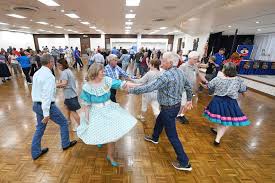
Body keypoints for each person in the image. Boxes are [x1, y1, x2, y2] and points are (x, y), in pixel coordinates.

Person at [128, 52, 193, 171]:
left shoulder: (166, 76)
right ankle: (155, 137)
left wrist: (131, 90)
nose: (161, 62)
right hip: (173, 106)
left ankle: (184, 162)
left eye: (163, 60)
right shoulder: (180, 72)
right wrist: (189, 99)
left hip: (169, 108)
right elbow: (188, 87)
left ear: (170, 62)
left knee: (172, 136)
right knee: (159, 120)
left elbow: (150, 87)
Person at [77, 63, 137, 166]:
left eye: (104, 71)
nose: (104, 73)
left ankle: (110, 155)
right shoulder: (87, 87)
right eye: (102, 71)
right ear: (95, 72)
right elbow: (86, 105)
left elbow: (122, 84)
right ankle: (101, 139)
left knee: (112, 136)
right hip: (96, 112)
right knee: (100, 131)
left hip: (110, 109)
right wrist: (87, 119)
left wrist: (140, 85)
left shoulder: (107, 80)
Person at [31, 53, 77, 160]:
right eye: (53, 62)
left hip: (36, 105)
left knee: (40, 128)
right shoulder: (48, 76)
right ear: (50, 62)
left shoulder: (37, 73)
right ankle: (65, 144)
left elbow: (37, 90)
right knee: (64, 123)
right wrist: (46, 113)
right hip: (46, 106)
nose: (54, 64)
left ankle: (35, 152)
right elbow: (46, 96)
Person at [203, 62, 250, 146]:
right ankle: (217, 136)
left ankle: (217, 137)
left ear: (225, 70)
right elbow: (243, 89)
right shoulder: (238, 80)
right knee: (225, 120)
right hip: (230, 102)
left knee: (221, 119)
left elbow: (209, 86)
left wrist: (203, 83)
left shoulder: (218, 79)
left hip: (218, 101)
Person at [177, 51, 208, 124]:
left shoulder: (195, 66)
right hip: (183, 89)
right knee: (183, 103)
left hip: (191, 88)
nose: (197, 60)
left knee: (187, 103)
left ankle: (182, 115)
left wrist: (205, 81)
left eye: (197, 59)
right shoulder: (183, 66)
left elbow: (199, 74)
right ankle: (178, 115)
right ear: (190, 58)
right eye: (195, 59)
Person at [56, 58, 81, 131]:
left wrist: (55, 85)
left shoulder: (64, 73)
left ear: (62, 65)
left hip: (70, 95)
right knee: (67, 107)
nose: (58, 67)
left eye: (58, 65)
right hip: (71, 94)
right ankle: (68, 120)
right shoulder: (68, 70)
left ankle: (80, 126)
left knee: (73, 111)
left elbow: (64, 84)